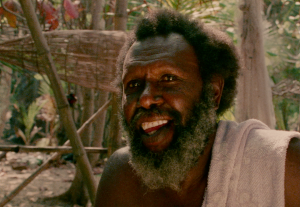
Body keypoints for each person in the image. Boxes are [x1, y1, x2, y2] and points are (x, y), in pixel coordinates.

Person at [95, 9, 300, 207]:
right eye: (133, 85)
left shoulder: (285, 167)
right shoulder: (121, 178)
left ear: (213, 93)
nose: (145, 99)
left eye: (168, 78)